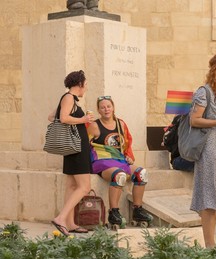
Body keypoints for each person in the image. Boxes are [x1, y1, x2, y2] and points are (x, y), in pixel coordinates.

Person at [87, 96, 153, 228]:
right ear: (98, 110)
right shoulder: (94, 126)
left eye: (108, 106)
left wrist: (129, 156)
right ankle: (114, 212)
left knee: (142, 173)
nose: (106, 109)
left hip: (120, 160)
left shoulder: (121, 124)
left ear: (113, 108)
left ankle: (137, 210)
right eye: (102, 107)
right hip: (102, 161)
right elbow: (85, 146)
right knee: (120, 175)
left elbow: (126, 143)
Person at [49, 70, 95, 236]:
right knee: (85, 187)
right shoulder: (69, 97)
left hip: (73, 148)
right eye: (86, 84)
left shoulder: (68, 99)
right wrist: (83, 120)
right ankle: (61, 218)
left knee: (72, 186)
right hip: (76, 148)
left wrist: (70, 115)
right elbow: (63, 119)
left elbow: (51, 117)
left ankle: (69, 222)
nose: (86, 88)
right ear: (80, 84)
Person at [188, 52, 216, 248]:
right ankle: (210, 245)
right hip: (211, 147)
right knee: (210, 198)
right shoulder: (205, 91)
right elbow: (194, 120)